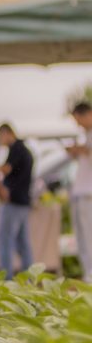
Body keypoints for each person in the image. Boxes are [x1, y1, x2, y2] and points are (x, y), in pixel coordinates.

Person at [0, 123, 34, 279]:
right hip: (23, 201)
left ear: (6, 133)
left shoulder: (17, 149)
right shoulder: (25, 150)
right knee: (23, 243)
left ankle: (7, 280)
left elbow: (6, 169)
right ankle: (29, 279)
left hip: (14, 201)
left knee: (5, 241)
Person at [67, 102, 92, 281]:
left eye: (79, 119)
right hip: (81, 193)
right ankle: (88, 273)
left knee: (89, 236)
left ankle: (90, 275)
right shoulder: (86, 134)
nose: (78, 124)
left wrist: (79, 150)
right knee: (82, 237)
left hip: (89, 195)